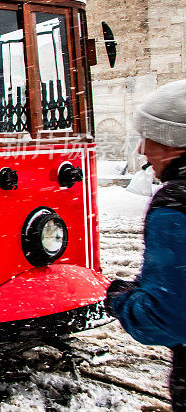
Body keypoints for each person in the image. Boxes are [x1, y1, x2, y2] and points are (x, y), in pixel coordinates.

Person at [106, 79, 186, 411]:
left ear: (174, 144)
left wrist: (119, 300)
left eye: (149, 138)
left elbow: (166, 316)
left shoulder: (176, 203)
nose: (142, 150)